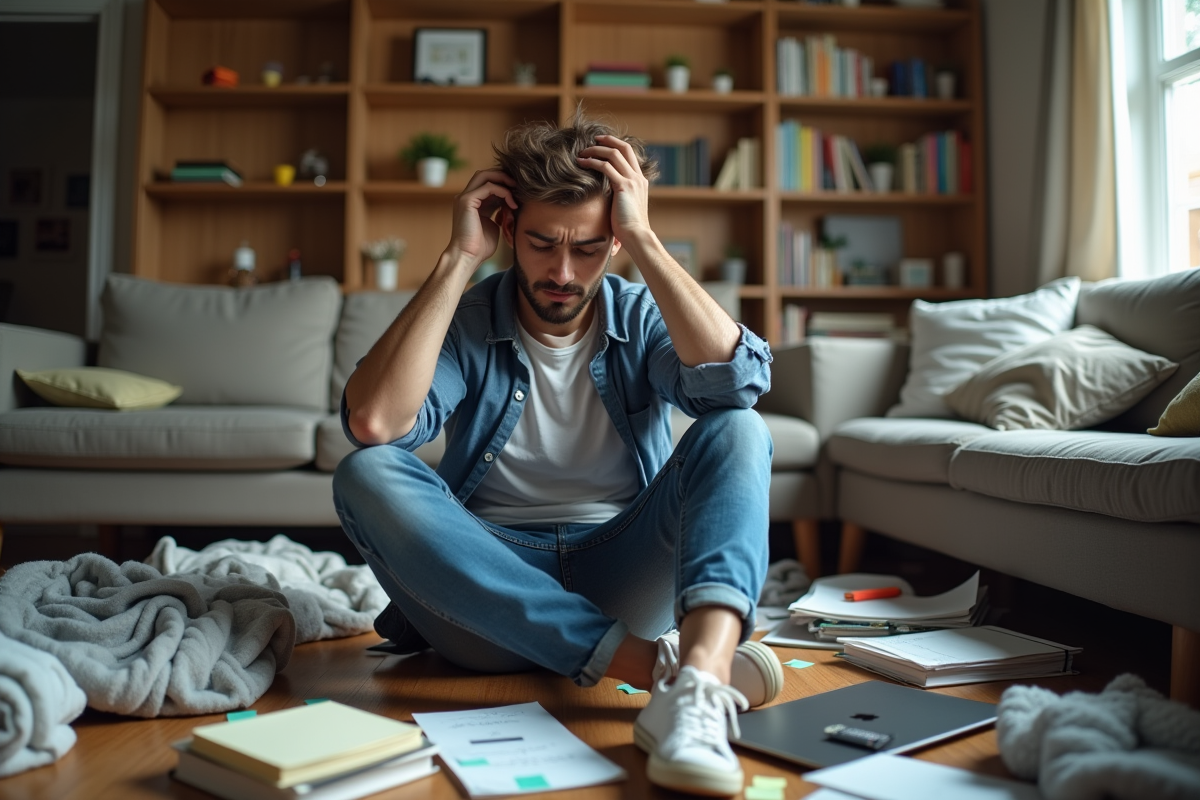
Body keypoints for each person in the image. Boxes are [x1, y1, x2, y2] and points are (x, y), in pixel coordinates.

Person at [333, 112, 779, 797]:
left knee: (739, 428)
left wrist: (644, 239)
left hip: (627, 575)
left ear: (614, 240)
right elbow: (375, 422)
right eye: (542, 243)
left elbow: (736, 384)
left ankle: (698, 683)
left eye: (591, 248)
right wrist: (457, 259)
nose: (564, 273)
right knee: (366, 472)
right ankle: (673, 670)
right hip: (487, 593)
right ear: (509, 227)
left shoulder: (638, 312)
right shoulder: (468, 320)